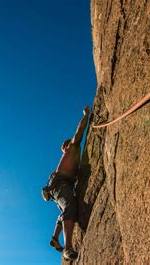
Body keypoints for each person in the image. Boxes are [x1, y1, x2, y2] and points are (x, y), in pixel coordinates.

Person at [42, 105, 90, 261]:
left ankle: (55, 238)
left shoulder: (70, 152)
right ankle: (67, 248)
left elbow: (78, 132)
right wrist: (86, 116)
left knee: (65, 208)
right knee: (70, 207)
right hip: (59, 184)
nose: (64, 148)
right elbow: (80, 130)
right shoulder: (72, 149)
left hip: (58, 185)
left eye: (64, 146)